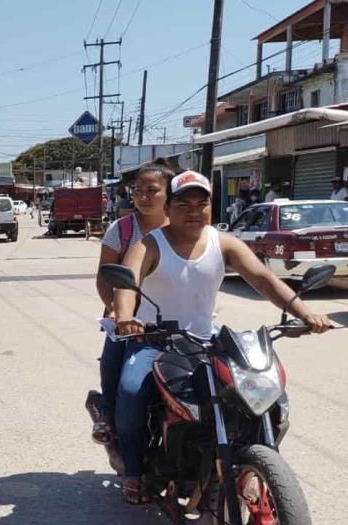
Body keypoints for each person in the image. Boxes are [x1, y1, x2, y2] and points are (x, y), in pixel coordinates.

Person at [111, 171, 332, 504]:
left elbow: (263, 278)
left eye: (202, 204)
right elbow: (126, 283)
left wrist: (303, 313)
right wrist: (126, 318)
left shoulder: (223, 242)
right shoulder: (151, 243)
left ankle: (254, 461)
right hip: (153, 340)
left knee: (253, 391)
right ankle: (132, 470)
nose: (194, 211)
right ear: (168, 208)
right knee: (130, 392)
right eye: (184, 204)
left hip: (204, 340)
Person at [90, 160, 172, 444]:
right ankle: (108, 415)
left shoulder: (183, 229)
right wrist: (114, 309)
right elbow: (104, 276)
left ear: (168, 194)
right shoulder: (122, 229)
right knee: (116, 367)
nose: (144, 197)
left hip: (173, 318)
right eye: (138, 191)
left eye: (152, 190)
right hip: (129, 321)